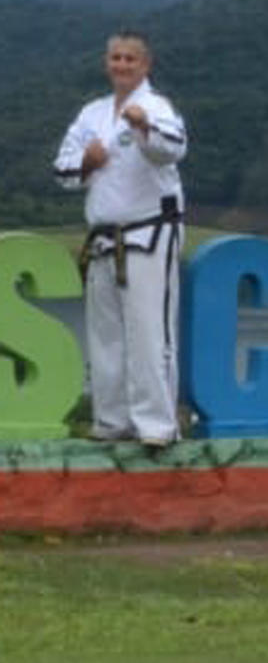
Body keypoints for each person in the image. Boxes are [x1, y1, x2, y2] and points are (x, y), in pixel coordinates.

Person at [53, 30, 186, 447]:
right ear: (107, 63)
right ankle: (111, 421)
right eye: (116, 58)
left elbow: (174, 149)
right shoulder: (91, 113)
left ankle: (157, 426)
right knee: (106, 335)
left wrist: (144, 128)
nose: (122, 65)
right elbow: (62, 168)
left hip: (150, 231)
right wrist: (86, 162)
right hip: (105, 238)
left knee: (150, 332)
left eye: (131, 59)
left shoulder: (157, 107)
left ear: (146, 65)